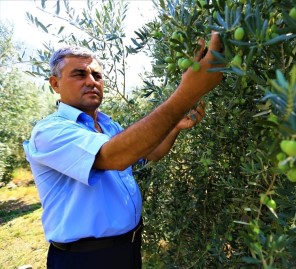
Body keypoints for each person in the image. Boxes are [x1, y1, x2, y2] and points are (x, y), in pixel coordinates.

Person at [23, 32, 223, 269]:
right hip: (84, 260)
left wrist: (176, 124)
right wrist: (186, 93)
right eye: (79, 74)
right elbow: (114, 157)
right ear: (55, 84)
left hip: (127, 249)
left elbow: (150, 153)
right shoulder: (49, 132)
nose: (91, 81)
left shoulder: (109, 126)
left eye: (97, 75)